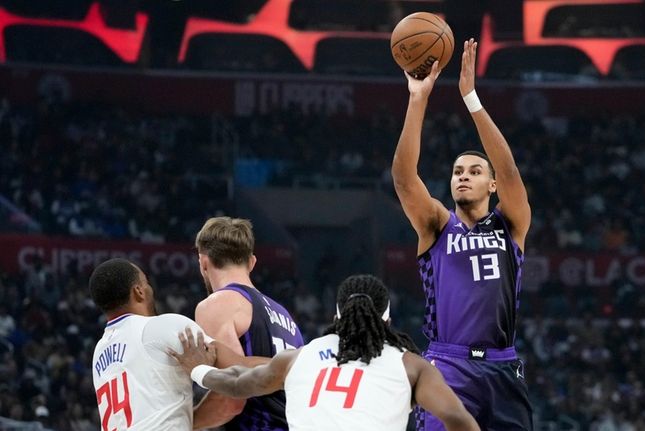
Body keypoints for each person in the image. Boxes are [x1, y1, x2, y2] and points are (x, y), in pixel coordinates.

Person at [390, 38, 533, 430]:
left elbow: (511, 173)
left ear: (491, 186)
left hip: (503, 365)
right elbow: (404, 179)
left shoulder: (510, 224)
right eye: (457, 171)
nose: (463, 176)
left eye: (474, 171)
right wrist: (417, 99)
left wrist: (471, 99)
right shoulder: (437, 224)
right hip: (447, 364)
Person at [170, 274, 480, 431]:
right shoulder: (411, 366)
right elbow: (459, 420)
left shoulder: (298, 358)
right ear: (387, 321)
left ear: (335, 318)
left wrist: (199, 369)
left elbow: (239, 382)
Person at [192, 216, 304, 430]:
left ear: (203, 262)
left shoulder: (216, 304)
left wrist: (180, 423)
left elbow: (231, 400)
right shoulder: (286, 316)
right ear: (252, 262)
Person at [89, 258, 217, 430]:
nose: (150, 288)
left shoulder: (99, 351)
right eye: (146, 283)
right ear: (138, 291)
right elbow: (235, 375)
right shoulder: (161, 327)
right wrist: (203, 372)